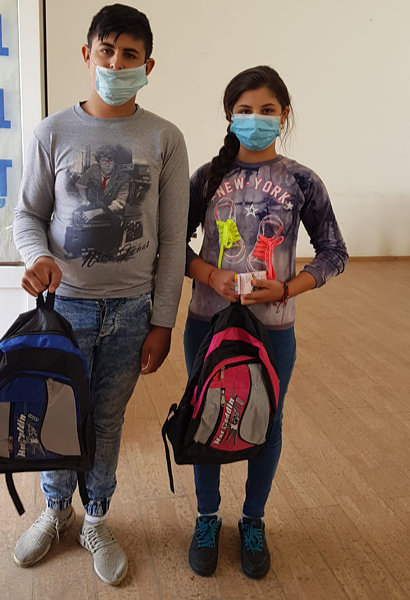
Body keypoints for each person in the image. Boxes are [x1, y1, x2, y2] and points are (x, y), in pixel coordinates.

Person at [12, 3, 189, 586]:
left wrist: (163, 320)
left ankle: (95, 519)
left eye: (130, 54)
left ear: (148, 66)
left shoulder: (165, 138)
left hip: (133, 311)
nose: (116, 63)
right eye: (107, 51)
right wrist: (37, 258)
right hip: (64, 309)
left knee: (108, 419)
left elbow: (171, 237)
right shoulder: (52, 132)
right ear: (87, 55)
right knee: (57, 413)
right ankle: (54, 512)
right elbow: (28, 215)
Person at [184, 65, 348, 579]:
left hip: (273, 329)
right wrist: (209, 275)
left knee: (267, 420)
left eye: (267, 110)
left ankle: (253, 520)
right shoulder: (206, 178)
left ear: (284, 115)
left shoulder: (302, 181)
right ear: (229, 116)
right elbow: (172, 249)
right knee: (206, 415)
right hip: (207, 324)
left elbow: (335, 252)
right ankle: (207, 518)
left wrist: (288, 288)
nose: (256, 118)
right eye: (245, 110)